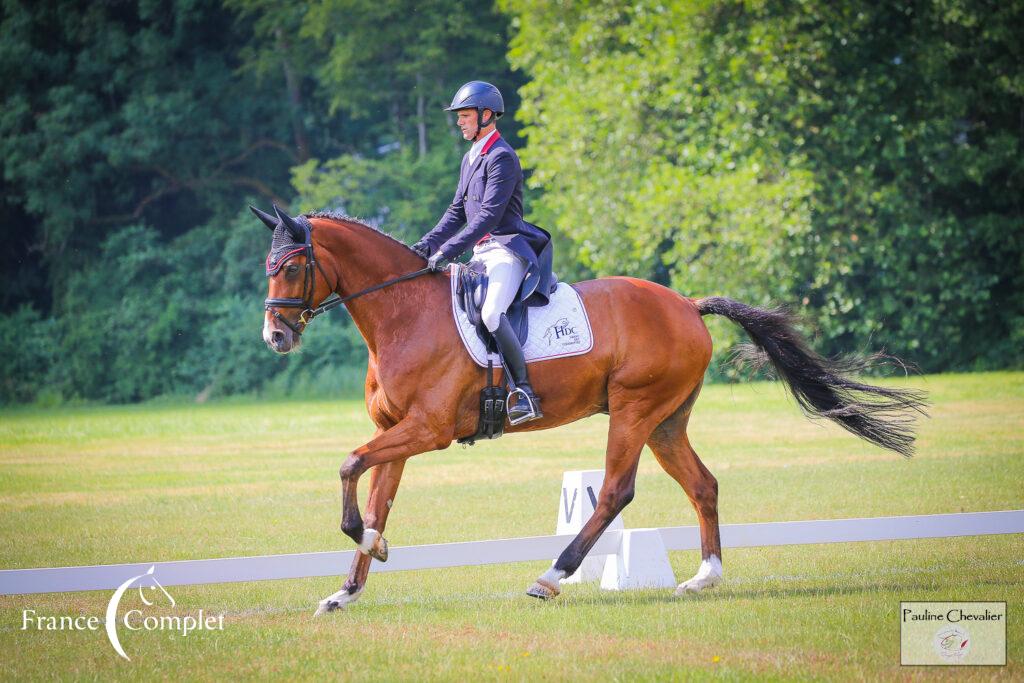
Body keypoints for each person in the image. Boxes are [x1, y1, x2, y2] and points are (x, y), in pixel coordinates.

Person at [412, 81, 556, 425]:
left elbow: (489, 216)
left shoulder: (502, 157)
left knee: (492, 314)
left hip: (506, 250)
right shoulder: (471, 158)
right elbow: (456, 212)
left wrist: (448, 251)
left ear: (486, 115)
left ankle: (524, 391)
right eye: (459, 116)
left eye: (464, 116)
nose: (459, 122)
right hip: (480, 255)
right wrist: (426, 245)